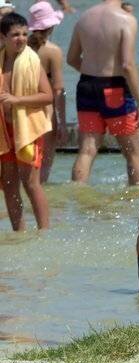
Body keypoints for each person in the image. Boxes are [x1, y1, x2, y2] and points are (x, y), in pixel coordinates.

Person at [67, 0, 139, 186]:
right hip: (115, 88)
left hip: (86, 86)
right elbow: (127, 65)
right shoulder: (126, 19)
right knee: (134, 153)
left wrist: (94, 75)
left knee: (87, 150)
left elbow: (72, 58)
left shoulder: (84, 17)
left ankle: (77, 195)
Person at [0, 13, 52, 232]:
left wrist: (17, 100)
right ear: (2, 37)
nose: (21, 38)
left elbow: (47, 96)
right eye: (15, 35)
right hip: (4, 131)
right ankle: (18, 232)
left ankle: (44, 232)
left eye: (24, 33)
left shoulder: (32, 61)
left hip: (28, 129)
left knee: (31, 183)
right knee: (9, 184)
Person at [27, 1, 63, 185]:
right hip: (46, 112)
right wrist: (62, 122)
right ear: (51, 26)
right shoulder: (53, 51)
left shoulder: (19, 47)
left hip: (22, 109)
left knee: (24, 162)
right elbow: (58, 89)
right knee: (44, 167)